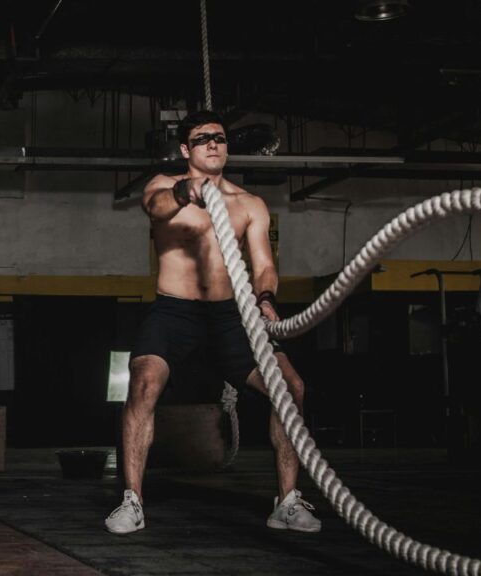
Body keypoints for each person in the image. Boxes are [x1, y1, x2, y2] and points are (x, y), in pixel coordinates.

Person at [105, 110, 321, 535]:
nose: (213, 144)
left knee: (291, 388)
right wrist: (190, 191)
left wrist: (264, 299)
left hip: (230, 316)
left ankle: (287, 502)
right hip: (174, 312)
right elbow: (156, 207)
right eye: (202, 138)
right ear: (186, 149)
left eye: (219, 138)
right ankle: (132, 500)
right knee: (144, 382)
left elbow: (263, 266)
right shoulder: (165, 188)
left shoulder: (249, 204)